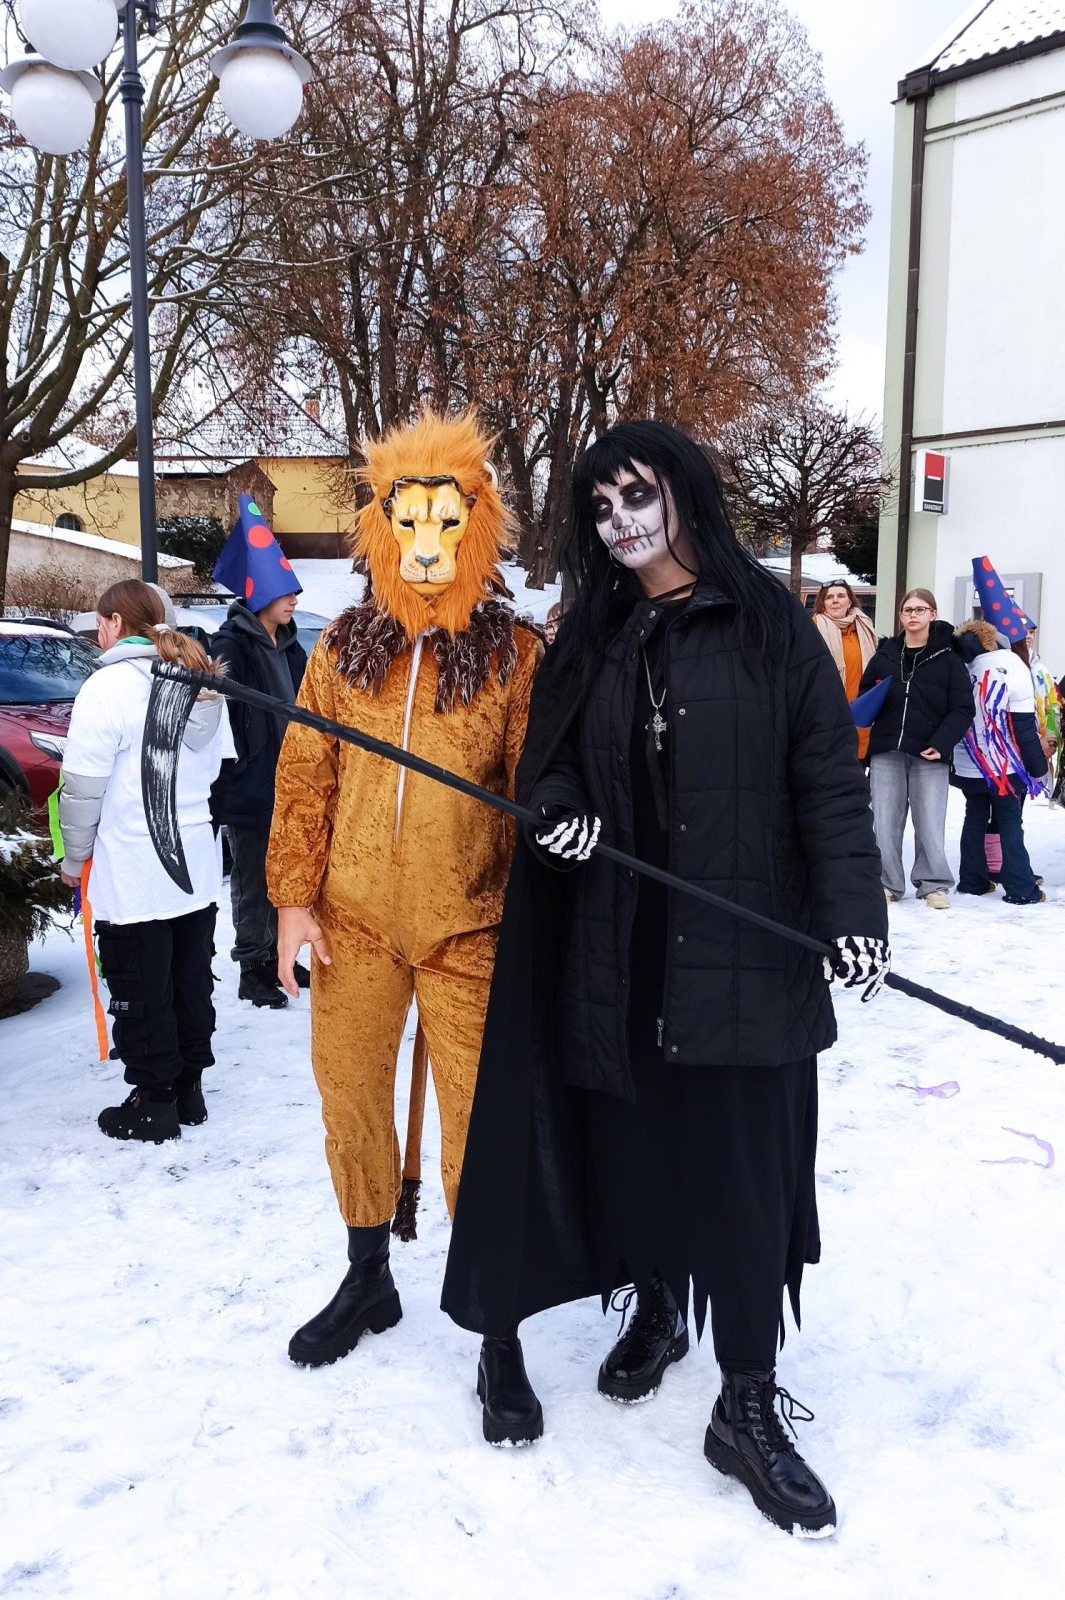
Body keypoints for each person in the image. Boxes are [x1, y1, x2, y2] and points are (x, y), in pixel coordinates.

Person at [441, 421, 888, 1538]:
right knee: (636, 1153)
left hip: (743, 957)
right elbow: (544, 770)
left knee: (743, 1181)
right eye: (600, 507)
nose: (620, 522)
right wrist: (558, 818)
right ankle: (656, 1306)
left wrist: (852, 916)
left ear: (684, 490)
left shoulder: (769, 624)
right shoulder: (592, 632)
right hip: (621, 954)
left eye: (638, 495)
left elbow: (827, 785)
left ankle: (746, 1403)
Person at [266, 412, 541, 1370]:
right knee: (348, 1094)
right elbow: (305, 773)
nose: (427, 548)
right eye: (409, 523)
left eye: (446, 525)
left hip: (471, 926)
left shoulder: (514, 655)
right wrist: (292, 898)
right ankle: (367, 1272)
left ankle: (495, 1322)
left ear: (479, 527)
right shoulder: (344, 647)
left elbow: (535, 792)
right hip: (353, 924)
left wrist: (539, 906)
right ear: (381, 528)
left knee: (478, 1121)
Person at [58, 580, 228, 1142]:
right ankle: (189, 1091)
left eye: (100, 624)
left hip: (134, 864)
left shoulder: (107, 687)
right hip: (194, 863)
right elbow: (214, 770)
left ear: (114, 623)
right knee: (188, 978)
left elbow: (83, 788)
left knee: (141, 982)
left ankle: (154, 1103)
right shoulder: (200, 682)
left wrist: (75, 857)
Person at [211, 499, 309, 1010]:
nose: (293, 598)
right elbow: (219, 717)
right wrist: (243, 767)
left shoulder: (292, 646)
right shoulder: (230, 645)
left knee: (286, 871)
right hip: (250, 785)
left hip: (292, 782)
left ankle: (279, 955)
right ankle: (253, 966)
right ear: (258, 594)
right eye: (284, 591)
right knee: (252, 878)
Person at [857, 590, 974, 908]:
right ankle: (887, 883)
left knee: (930, 823)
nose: (912, 615)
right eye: (907, 610)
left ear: (932, 614)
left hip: (929, 753)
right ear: (900, 616)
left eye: (920, 610)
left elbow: (963, 708)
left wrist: (941, 742)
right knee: (885, 822)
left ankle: (933, 884)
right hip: (887, 750)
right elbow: (865, 694)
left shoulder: (949, 658)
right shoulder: (884, 656)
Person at [951, 619, 1048, 904]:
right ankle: (1021, 888)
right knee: (1010, 821)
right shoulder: (1010, 665)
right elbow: (1023, 725)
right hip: (1002, 766)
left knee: (974, 816)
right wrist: (1037, 767)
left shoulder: (962, 668)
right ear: (990, 641)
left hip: (968, 764)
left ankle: (972, 881)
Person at [811, 580, 877, 762]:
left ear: (850, 602)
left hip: (861, 716)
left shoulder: (863, 628)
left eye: (840, 596)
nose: (835, 601)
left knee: (858, 765)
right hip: (826, 717)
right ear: (822, 603)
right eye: (829, 597)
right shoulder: (811, 630)